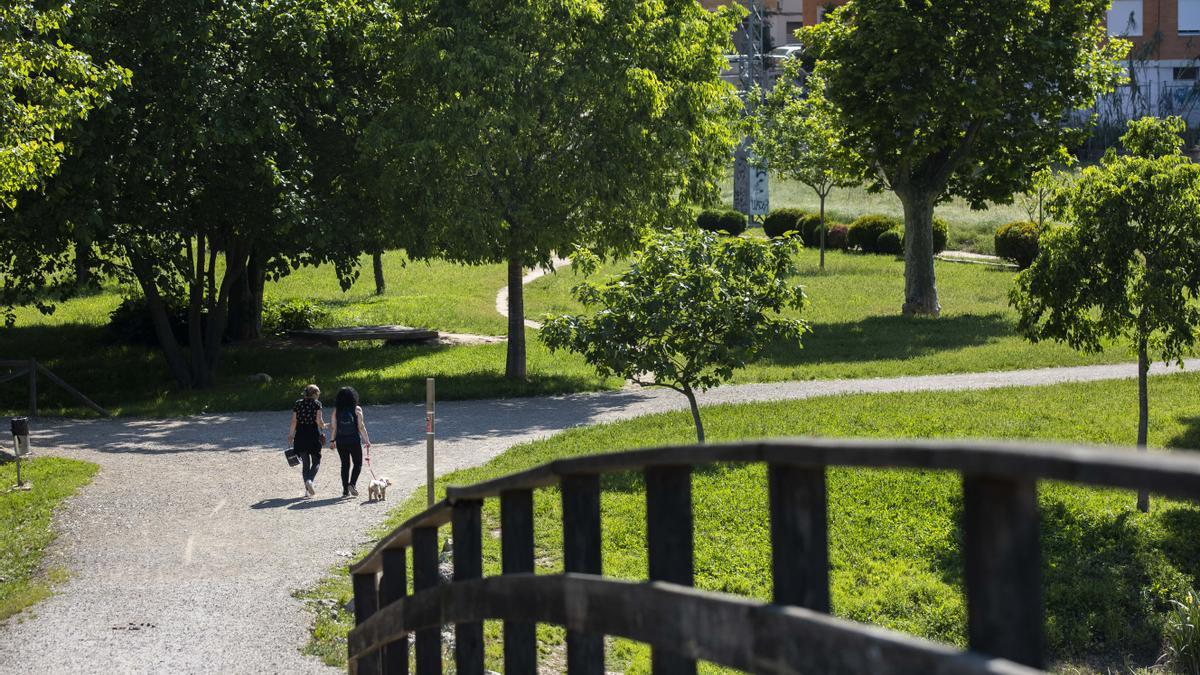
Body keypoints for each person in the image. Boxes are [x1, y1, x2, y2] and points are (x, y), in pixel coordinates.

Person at [329, 386, 371, 497]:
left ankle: (345, 490)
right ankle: (352, 484)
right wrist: (366, 440)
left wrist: (332, 441)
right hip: (354, 440)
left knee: (345, 465)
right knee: (357, 463)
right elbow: (361, 427)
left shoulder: (336, 411)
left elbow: (334, 427)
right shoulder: (357, 409)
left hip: (341, 441)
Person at [288, 384, 326, 497]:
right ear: (314, 394)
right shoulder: (317, 404)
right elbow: (319, 421)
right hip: (313, 436)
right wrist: (325, 426)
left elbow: (294, 421)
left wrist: (291, 435)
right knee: (316, 461)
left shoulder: (298, 403)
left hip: (300, 436)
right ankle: (310, 481)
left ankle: (307, 489)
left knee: (305, 464)